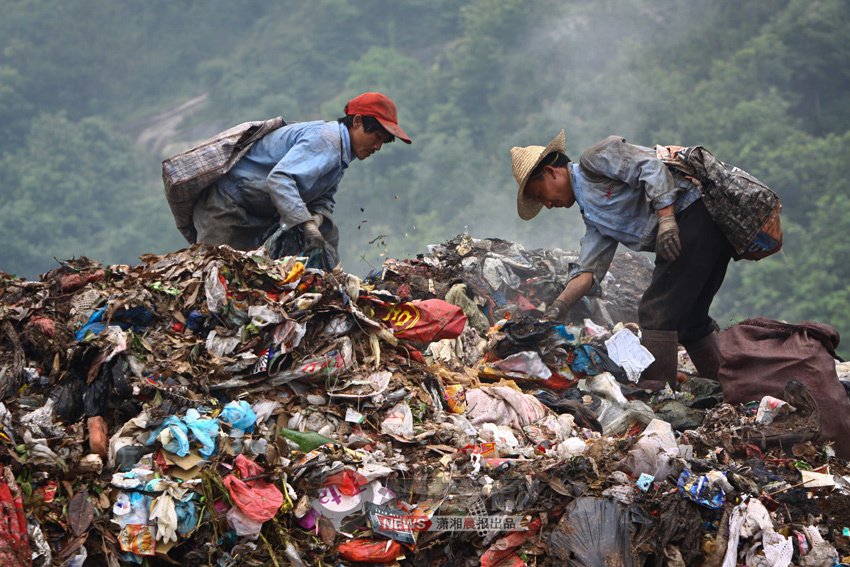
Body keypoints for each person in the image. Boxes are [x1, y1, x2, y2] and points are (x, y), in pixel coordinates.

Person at [510, 131, 730, 390]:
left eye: (540, 194)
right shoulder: (594, 218)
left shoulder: (594, 160)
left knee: (655, 310)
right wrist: (559, 307)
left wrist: (667, 219)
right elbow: (588, 271)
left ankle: (658, 391)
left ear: (551, 172)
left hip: (694, 215)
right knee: (690, 319)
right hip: (695, 230)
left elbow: (650, 166)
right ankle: (727, 388)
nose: (547, 205)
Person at [192, 92, 411, 266]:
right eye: (377, 137)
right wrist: (305, 224)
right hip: (227, 207)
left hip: (258, 213)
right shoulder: (326, 141)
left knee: (326, 233)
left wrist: (317, 219)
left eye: (384, 141)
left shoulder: (341, 155)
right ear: (357, 122)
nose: (378, 147)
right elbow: (279, 179)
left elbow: (323, 199)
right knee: (220, 275)